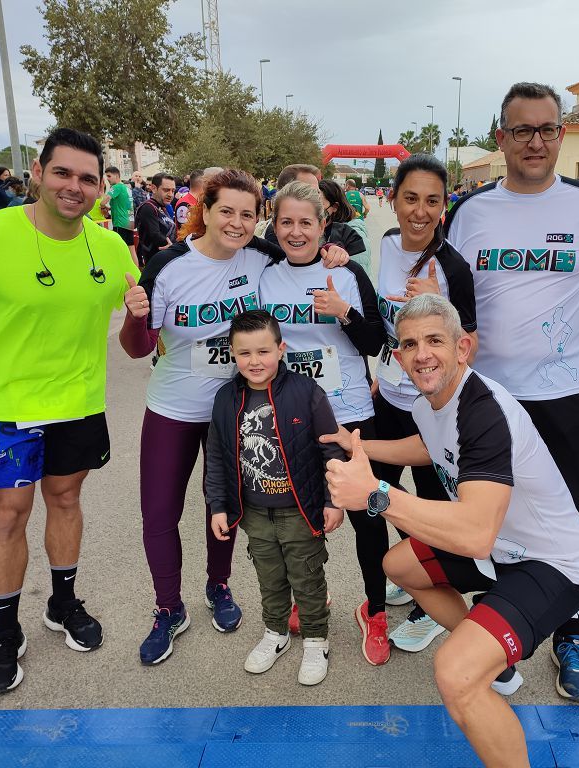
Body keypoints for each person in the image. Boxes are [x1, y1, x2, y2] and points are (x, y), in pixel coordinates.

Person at [323, 294, 579, 768]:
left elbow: (473, 536)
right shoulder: (433, 399)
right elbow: (429, 445)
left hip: (551, 563)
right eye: (409, 344)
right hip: (502, 549)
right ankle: (499, 659)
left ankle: (483, 661)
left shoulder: (484, 409)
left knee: (455, 674)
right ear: (398, 355)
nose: (421, 354)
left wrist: (375, 494)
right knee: (399, 565)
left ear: (463, 347)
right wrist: (359, 444)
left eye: (434, 341)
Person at [0, 128, 134, 694]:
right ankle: (5, 629)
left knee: (66, 501)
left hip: (79, 406)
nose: (74, 186)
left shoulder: (110, 248)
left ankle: (62, 604)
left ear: (100, 187)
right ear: (37, 174)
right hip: (1, 411)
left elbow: (144, 324)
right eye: (62, 173)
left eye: (87, 178)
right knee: (8, 517)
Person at [119, 170, 350, 665]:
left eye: (249, 214)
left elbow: (303, 257)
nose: (238, 222)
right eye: (227, 211)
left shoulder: (261, 257)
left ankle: (218, 586)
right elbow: (138, 348)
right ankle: (167, 608)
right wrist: (136, 315)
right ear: (205, 209)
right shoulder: (167, 264)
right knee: (160, 512)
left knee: (222, 502)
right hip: (175, 408)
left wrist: (335, 254)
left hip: (239, 407)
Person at [443, 81, 579, 702]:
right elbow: (451, 297)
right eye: (522, 130)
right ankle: (501, 626)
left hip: (565, 394)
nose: (536, 141)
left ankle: (572, 633)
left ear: (561, 134)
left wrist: (561, 336)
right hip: (487, 396)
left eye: (547, 129)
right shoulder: (472, 213)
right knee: (492, 515)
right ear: (502, 139)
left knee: (569, 516)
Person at [261, 181, 389, 664]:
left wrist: (346, 313)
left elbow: (376, 341)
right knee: (298, 516)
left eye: (306, 222)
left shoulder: (349, 271)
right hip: (291, 414)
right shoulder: (265, 275)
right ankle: (308, 601)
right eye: (286, 222)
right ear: (275, 225)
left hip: (351, 413)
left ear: (323, 226)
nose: (296, 232)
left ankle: (374, 609)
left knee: (367, 519)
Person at [203, 310, 346, 685]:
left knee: (308, 576)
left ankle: (316, 639)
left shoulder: (306, 393)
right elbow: (216, 456)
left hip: (301, 510)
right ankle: (275, 632)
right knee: (269, 576)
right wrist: (217, 505)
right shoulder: (224, 399)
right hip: (253, 512)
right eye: (244, 353)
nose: (254, 361)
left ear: (281, 349)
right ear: (232, 354)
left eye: (263, 351)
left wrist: (334, 500)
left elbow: (331, 450)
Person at [376, 154, 478, 655]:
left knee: (434, 504)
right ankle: (414, 570)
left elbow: (470, 344)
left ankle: (433, 604)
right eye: (410, 198)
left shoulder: (452, 266)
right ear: (393, 199)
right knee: (387, 496)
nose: (420, 211)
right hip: (389, 397)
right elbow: (384, 323)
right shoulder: (386, 245)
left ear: (445, 206)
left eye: (432, 201)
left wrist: (444, 304)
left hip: (433, 407)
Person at [318, 178, 371, 275]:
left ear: (335, 207)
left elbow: (359, 276)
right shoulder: (360, 195)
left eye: (319, 205)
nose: (314, 210)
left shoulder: (353, 235)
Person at [134, 173, 176, 267]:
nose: (170, 194)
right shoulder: (148, 207)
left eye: (173, 191)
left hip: (166, 259)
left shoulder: (163, 206)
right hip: (153, 262)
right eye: (166, 190)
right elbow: (155, 235)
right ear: (153, 188)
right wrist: (176, 247)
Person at [102, 165, 135, 257]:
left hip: (120, 223)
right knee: (131, 249)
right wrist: (110, 208)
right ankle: (136, 271)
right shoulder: (126, 188)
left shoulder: (116, 187)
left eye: (109, 176)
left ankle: (122, 269)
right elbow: (124, 205)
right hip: (129, 222)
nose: (107, 179)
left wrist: (102, 207)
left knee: (118, 250)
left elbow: (104, 201)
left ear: (116, 176)